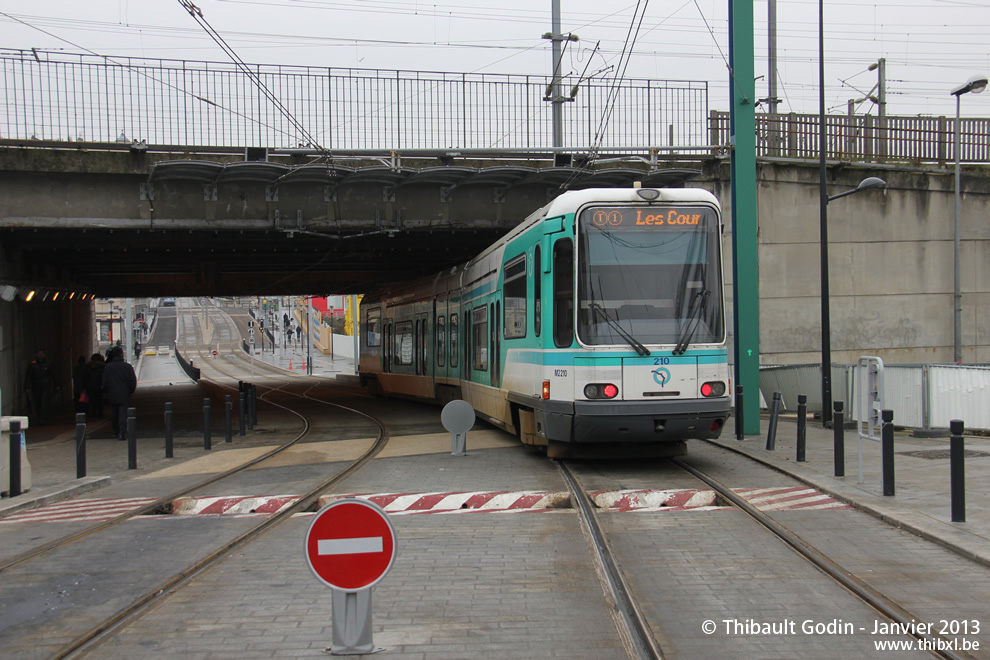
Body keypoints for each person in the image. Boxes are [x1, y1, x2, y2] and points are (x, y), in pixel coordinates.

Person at [102, 346, 136, 441]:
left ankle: (116, 431)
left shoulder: (108, 367)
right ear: (121, 354)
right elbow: (132, 381)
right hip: (124, 394)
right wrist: (130, 391)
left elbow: (104, 382)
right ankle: (121, 432)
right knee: (123, 413)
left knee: (115, 413)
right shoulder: (127, 367)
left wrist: (107, 392)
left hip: (112, 394)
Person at [25, 349, 59, 425]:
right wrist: (27, 387)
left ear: (44, 355)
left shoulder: (48, 364)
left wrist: (56, 384)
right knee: (37, 402)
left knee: (43, 402)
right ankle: (38, 417)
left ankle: (41, 418)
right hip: (35, 386)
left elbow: (53, 374)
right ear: (36, 355)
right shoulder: (32, 365)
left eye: (42, 353)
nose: (40, 355)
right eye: (39, 354)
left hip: (45, 386)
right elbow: (28, 376)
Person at [86, 353, 106, 418]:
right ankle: (100, 413)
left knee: (92, 401)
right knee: (99, 400)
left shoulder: (87, 367)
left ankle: (93, 413)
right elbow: (103, 377)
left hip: (90, 387)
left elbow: (85, 377)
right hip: (99, 386)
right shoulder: (102, 367)